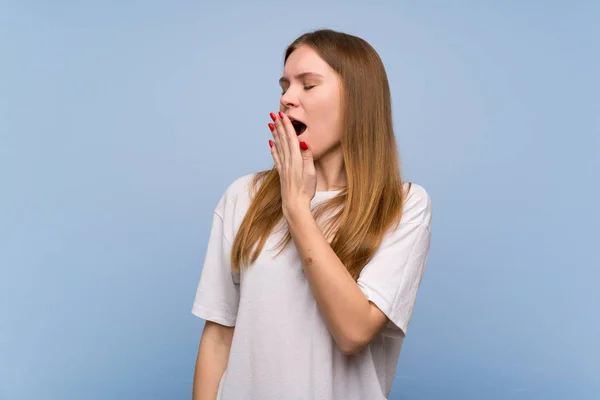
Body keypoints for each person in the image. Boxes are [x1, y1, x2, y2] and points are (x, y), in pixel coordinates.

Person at [191, 29, 432, 400]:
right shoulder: (243, 196)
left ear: (358, 100)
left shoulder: (404, 205)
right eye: (285, 85)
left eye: (308, 85)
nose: (287, 98)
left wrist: (297, 209)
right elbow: (219, 336)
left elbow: (353, 332)